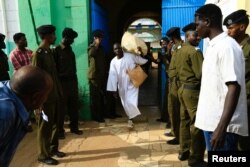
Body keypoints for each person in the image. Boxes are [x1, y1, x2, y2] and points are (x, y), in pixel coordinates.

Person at [195, 4, 248, 153]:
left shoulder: (227, 47)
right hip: (211, 123)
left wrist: (221, 128)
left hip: (222, 127)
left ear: (207, 22)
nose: (196, 28)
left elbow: (234, 86)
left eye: (197, 23)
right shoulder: (214, 46)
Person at [0, 65, 53, 167]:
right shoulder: (4, 115)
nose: (45, 100)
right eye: (46, 95)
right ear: (35, 97)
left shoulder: (9, 89)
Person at [32, 25, 65, 165]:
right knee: (44, 126)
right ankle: (42, 155)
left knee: (55, 124)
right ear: (47, 36)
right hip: (45, 97)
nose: (55, 37)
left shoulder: (48, 52)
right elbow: (35, 78)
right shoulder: (38, 54)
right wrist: (38, 101)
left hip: (54, 94)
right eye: (53, 35)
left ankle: (52, 149)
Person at [175, 23, 205, 166]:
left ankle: (183, 151)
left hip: (182, 89)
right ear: (187, 37)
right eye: (195, 35)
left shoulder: (179, 50)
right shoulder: (194, 52)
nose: (198, 37)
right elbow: (201, 74)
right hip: (193, 91)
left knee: (184, 121)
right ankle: (195, 157)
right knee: (197, 124)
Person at [223, 9, 250, 151]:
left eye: (231, 28)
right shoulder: (232, 47)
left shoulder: (248, 47)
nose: (228, 31)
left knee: (245, 142)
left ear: (242, 27)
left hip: (247, 101)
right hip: (235, 101)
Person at [107, 43, 148, 128]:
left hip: (132, 83)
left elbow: (142, 61)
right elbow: (112, 76)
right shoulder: (113, 62)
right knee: (125, 102)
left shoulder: (130, 56)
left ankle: (130, 119)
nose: (117, 50)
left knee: (132, 101)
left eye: (118, 48)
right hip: (122, 85)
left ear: (121, 48)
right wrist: (114, 89)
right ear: (113, 51)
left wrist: (139, 54)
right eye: (115, 49)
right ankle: (130, 117)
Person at [54, 28, 83, 139]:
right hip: (62, 83)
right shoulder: (56, 50)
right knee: (61, 108)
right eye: (72, 39)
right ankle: (60, 131)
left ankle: (74, 128)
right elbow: (54, 70)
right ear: (66, 37)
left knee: (73, 106)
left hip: (72, 82)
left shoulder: (70, 49)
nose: (73, 41)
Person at [9, 32, 33, 132]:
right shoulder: (13, 54)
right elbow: (20, 69)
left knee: (32, 101)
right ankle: (25, 123)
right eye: (23, 39)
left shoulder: (30, 52)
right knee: (22, 103)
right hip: (21, 81)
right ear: (16, 42)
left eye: (25, 38)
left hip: (32, 80)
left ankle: (30, 120)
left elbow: (34, 65)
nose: (25, 41)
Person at [165, 27, 183, 145]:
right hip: (172, 83)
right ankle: (174, 131)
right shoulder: (174, 48)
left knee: (178, 111)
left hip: (178, 84)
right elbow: (170, 61)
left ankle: (179, 136)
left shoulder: (182, 48)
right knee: (172, 109)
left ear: (172, 37)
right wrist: (168, 50)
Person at [88, 29, 109, 123]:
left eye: (100, 38)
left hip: (101, 76)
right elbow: (91, 54)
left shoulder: (101, 48)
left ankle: (102, 114)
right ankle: (96, 116)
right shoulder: (92, 47)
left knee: (101, 96)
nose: (99, 39)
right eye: (97, 38)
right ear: (94, 38)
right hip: (94, 77)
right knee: (96, 98)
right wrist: (96, 44)